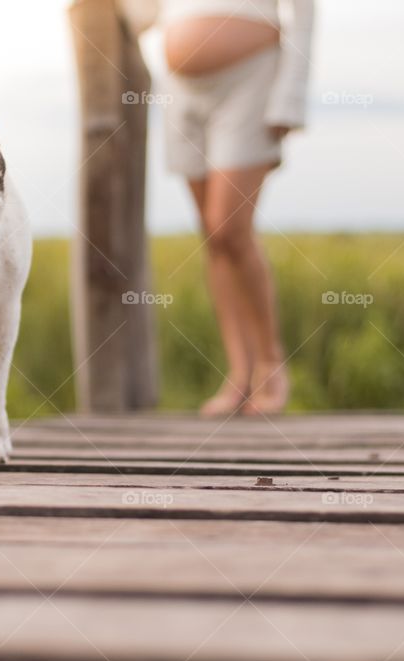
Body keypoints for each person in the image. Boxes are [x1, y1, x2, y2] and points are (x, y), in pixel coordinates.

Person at [156, 0, 315, 416]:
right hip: (179, 88)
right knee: (214, 238)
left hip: (250, 77)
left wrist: (291, 96)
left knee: (229, 228)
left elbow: (304, 10)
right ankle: (240, 372)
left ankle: (270, 364)